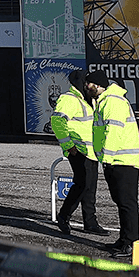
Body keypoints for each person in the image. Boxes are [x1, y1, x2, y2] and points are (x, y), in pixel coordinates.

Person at [84, 70, 139, 255]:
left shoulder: (112, 101)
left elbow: (114, 131)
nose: (86, 87)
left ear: (97, 85)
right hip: (117, 160)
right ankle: (124, 239)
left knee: (127, 203)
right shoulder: (105, 100)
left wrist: (107, 158)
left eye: (89, 84)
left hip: (122, 160)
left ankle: (131, 243)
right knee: (122, 202)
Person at [51, 71, 103, 236]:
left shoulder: (88, 100)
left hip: (91, 151)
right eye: (86, 82)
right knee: (82, 185)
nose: (89, 85)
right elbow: (57, 122)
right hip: (78, 150)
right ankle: (64, 216)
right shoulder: (69, 99)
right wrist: (68, 146)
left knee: (90, 188)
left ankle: (90, 222)